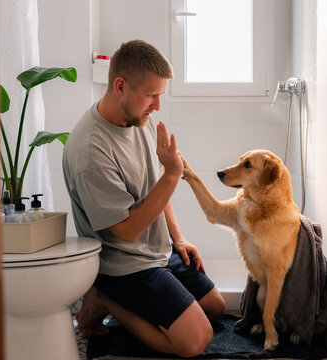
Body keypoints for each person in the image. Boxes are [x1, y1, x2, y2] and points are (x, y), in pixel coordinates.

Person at [62, 39, 225, 357]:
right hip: (123, 264)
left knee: (215, 307)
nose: (157, 106)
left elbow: (155, 189)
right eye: (151, 95)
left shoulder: (140, 121)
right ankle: (106, 299)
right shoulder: (91, 149)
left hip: (158, 252)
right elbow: (125, 231)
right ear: (120, 85)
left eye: (159, 96)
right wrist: (172, 175)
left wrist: (178, 238)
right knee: (194, 342)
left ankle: (134, 303)